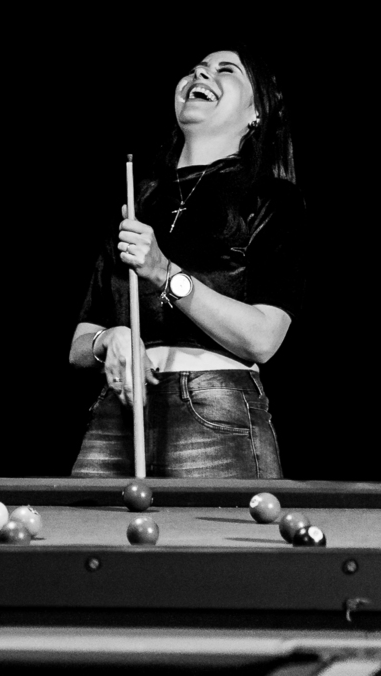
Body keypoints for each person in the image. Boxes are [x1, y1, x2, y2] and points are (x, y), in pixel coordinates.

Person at [69, 48, 305, 478]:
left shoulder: (271, 199)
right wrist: (111, 338)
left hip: (215, 407)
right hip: (117, 411)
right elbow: (79, 344)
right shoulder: (138, 202)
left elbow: (263, 339)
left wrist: (165, 274)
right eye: (197, 68)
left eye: (226, 70)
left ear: (257, 112)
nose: (201, 73)